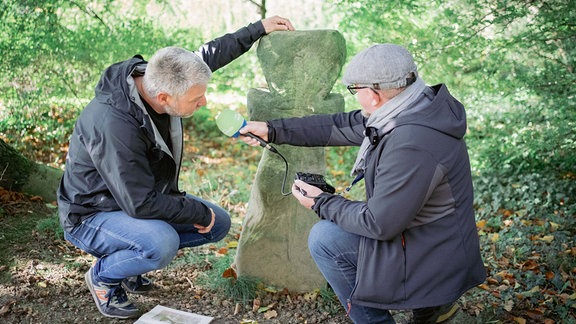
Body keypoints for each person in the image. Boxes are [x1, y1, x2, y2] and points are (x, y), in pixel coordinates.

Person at [56, 16, 294, 319]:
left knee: (218, 223)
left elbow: (206, 57)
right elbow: (140, 203)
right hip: (92, 213)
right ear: (164, 97)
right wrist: (196, 212)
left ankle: (130, 259)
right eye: (196, 98)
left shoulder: (163, 74)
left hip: (129, 200)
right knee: (162, 242)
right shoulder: (115, 125)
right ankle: (104, 276)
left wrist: (258, 29)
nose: (204, 102)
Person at [239, 44, 486, 323]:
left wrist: (320, 202)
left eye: (354, 90)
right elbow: (339, 125)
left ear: (373, 94)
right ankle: (433, 309)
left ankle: (384, 317)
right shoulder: (412, 108)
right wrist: (272, 130)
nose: (355, 98)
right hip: (436, 243)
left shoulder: (412, 143)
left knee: (325, 238)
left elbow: (379, 223)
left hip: (430, 258)